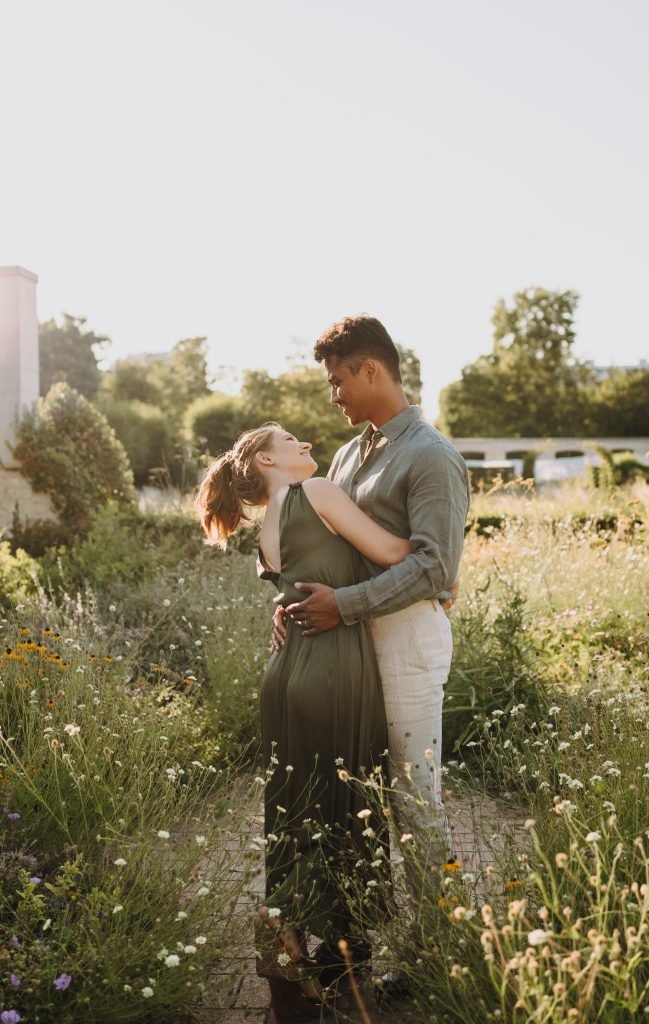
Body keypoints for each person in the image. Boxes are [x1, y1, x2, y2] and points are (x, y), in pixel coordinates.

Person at [195, 423, 411, 1020]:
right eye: (291, 440)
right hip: (333, 666)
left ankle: (286, 936)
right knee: (346, 805)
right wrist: (443, 568)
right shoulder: (316, 495)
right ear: (268, 458)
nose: (306, 444)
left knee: (296, 807)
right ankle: (339, 951)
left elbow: (289, 589)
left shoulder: (267, 526)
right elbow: (394, 553)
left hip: (286, 671)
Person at [278, 316, 470, 975]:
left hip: (406, 643)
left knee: (415, 802)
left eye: (337, 382)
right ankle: (365, 942)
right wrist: (293, 607)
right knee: (359, 798)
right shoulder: (346, 455)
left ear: (370, 370)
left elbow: (434, 568)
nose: (332, 396)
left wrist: (346, 605)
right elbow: (333, 549)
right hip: (350, 647)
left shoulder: (430, 454)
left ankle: (442, 957)